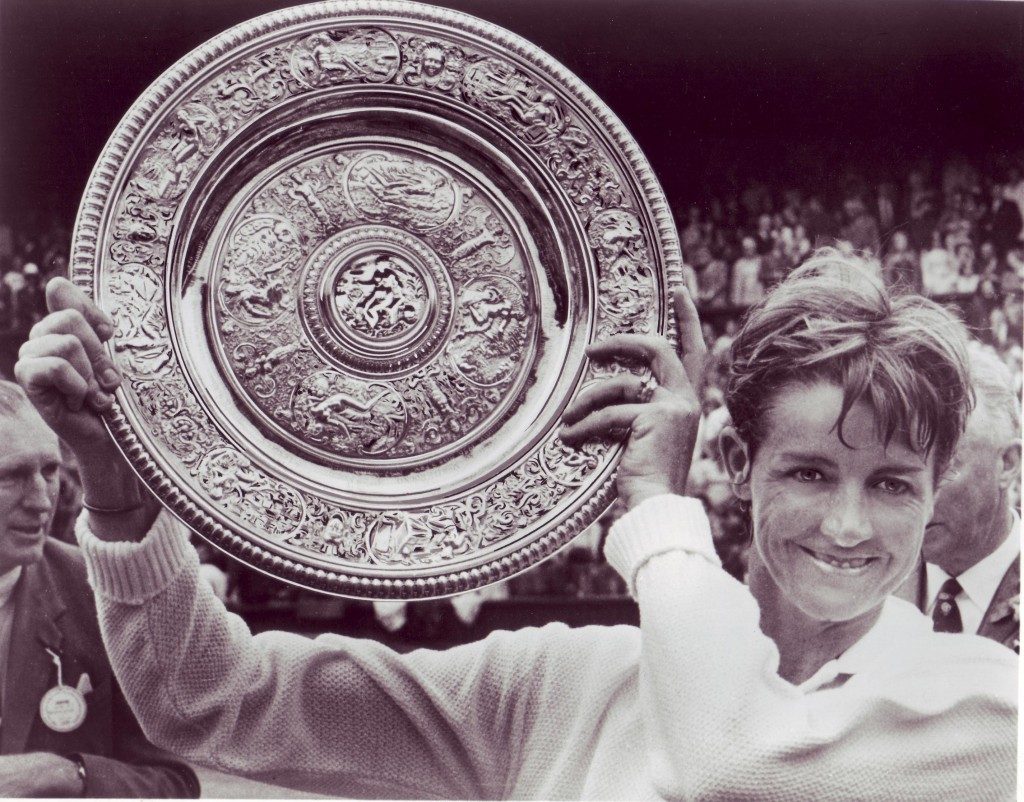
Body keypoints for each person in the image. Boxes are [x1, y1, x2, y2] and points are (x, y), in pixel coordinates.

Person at [14, 263, 1016, 800]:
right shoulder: (561, 684)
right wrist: (114, 483)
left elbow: (727, 764)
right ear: (737, 466)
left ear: (933, 496)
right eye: (808, 470)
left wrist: (657, 511)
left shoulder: (985, 705)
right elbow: (212, 701)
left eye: (892, 482)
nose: (850, 524)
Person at [0, 380, 199, 798]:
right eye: (10, 476)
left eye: (50, 470)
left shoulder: (99, 593)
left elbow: (174, 785)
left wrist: (70, 775)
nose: (41, 500)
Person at [897, 342, 1020, 651]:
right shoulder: (866, 588)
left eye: (944, 467)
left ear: (1008, 464)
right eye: (900, 471)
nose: (916, 494)